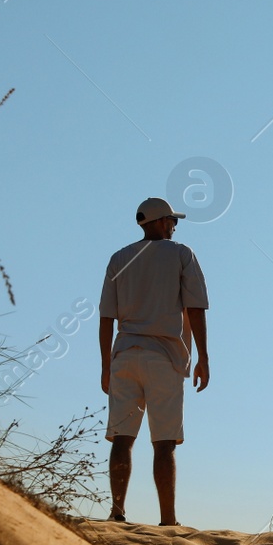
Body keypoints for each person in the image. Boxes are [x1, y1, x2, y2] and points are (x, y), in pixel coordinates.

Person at [99, 196, 210, 525]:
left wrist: (106, 365)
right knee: (164, 443)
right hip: (164, 356)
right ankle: (168, 521)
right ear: (160, 222)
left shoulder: (119, 258)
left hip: (125, 354)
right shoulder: (181, 254)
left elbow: (106, 318)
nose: (175, 226)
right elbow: (195, 308)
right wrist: (203, 356)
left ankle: (117, 511)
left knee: (122, 438)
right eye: (172, 221)